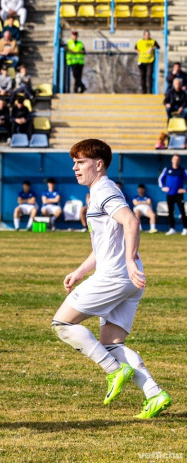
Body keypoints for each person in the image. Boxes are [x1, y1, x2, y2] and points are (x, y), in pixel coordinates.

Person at [52, 139, 170, 420]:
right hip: (129, 278)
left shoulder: (104, 190)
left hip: (116, 275)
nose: (75, 168)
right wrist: (80, 271)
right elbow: (104, 245)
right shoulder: (99, 192)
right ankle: (154, 394)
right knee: (111, 343)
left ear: (98, 164)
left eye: (80, 162)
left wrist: (128, 260)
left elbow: (131, 221)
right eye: (74, 163)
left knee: (62, 324)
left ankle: (113, 370)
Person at [159, 154, 187, 235]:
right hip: (170, 194)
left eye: (177, 160)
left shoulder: (182, 171)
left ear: (179, 161)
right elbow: (160, 179)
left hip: (179, 195)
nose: (176, 161)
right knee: (170, 212)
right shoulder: (167, 169)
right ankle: (172, 228)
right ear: (172, 160)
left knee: (182, 211)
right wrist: (163, 187)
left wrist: (185, 189)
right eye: (174, 159)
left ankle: (185, 228)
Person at [135, 30, 160, 94]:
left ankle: (150, 92)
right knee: (142, 76)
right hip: (142, 61)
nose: (147, 36)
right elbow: (135, 48)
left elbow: (158, 46)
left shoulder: (152, 41)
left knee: (149, 76)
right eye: (146, 35)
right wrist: (138, 52)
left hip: (150, 61)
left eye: (148, 35)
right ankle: (143, 92)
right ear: (143, 35)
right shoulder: (139, 42)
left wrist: (151, 48)